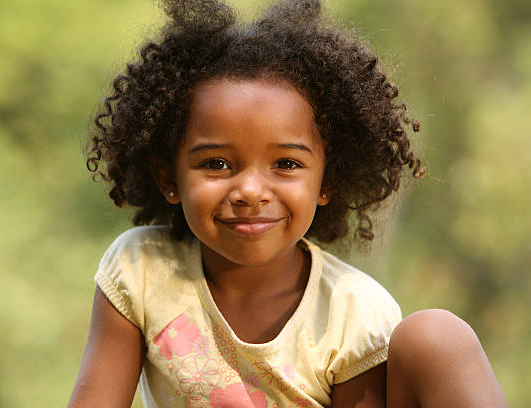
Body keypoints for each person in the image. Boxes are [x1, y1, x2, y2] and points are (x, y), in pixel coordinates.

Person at [68, 0, 507, 406]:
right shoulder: (142, 269)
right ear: (169, 179)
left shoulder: (352, 312)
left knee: (438, 334)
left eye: (286, 163)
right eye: (217, 163)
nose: (251, 191)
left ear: (326, 181)